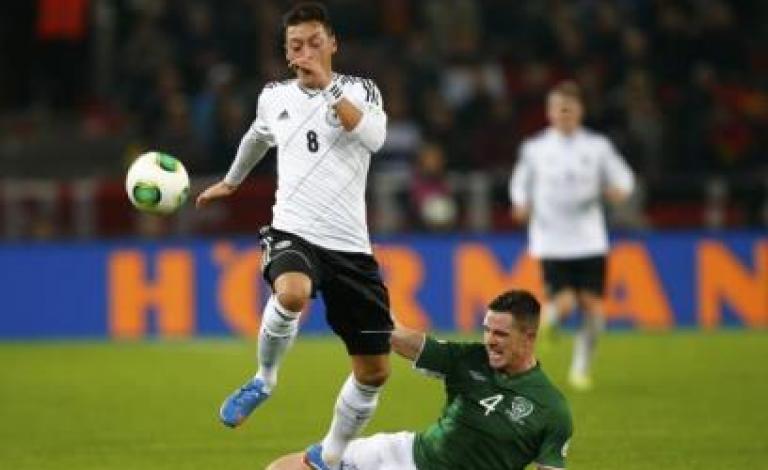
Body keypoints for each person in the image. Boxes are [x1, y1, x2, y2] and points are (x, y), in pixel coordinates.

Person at [195, 3, 390, 469]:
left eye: (314, 43)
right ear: (286, 53)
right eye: (296, 46)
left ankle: (329, 455)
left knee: (374, 373)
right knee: (292, 293)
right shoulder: (273, 96)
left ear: (333, 44)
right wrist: (232, 182)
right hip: (293, 230)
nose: (305, 52)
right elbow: (256, 138)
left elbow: (375, 139)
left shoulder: (361, 90)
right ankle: (264, 379)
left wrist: (328, 88)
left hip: (351, 246)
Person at [267, 289, 573, 470]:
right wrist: (364, 288)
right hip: (406, 455)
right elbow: (397, 336)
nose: (490, 341)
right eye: (487, 330)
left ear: (529, 337)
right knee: (293, 467)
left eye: (501, 334)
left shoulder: (552, 410)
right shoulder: (469, 358)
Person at [509, 80, 635, 391]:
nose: (564, 113)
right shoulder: (535, 148)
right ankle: (550, 322)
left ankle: (581, 369)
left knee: (593, 307)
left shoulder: (597, 146)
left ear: (580, 111)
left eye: (570, 108)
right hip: (551, 240)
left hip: (590, 240)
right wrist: (520, 203)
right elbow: (519, 182)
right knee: (565, 305)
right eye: (559, 108)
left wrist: (621, 189)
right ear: (550, 112)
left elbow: (623, 175)